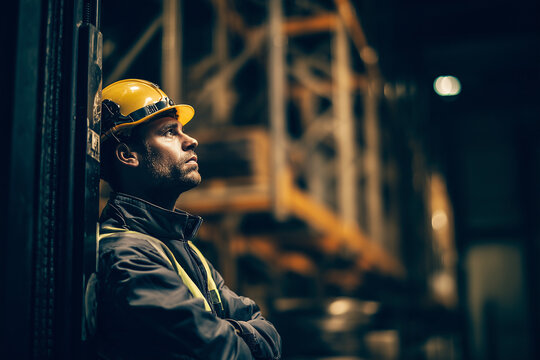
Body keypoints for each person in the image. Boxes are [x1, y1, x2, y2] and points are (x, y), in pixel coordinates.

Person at [87, 79, 281, 359]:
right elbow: (215, 351)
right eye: (168, 132)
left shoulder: (184, 250)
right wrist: (239, 333)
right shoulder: (125, 256)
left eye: (182, 131)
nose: (191, 140)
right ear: (128, 155)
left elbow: (269, 333)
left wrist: (230, 331)